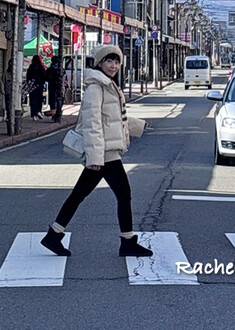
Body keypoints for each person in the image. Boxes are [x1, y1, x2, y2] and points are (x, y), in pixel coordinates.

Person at [41, 44, 153, 259]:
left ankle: (54, 234)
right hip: (104, 154)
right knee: (123, 194)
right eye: (109, 61)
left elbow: (112, 119)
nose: (114, 65)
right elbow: (92, 123)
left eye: (117, 61)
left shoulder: (108, 85)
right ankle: (127, 242)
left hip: (104, 152)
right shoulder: (96, 87)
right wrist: (94, 157)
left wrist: (138, 126)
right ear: (99, 63)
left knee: (80, 194)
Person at [26, 54, 46, 121]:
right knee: (39, 99)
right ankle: (38, 111)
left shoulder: (30, 68)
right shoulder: (41, 68)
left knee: (33, 100)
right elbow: (44, 76)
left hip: (32, 86)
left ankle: (34, 114)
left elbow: (27, 77)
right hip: (39, 86)